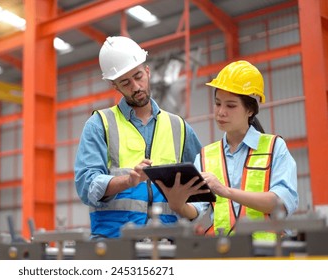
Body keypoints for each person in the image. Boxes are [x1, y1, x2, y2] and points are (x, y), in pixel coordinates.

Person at [74, 36, 205, 239]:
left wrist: (194, 214)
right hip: (113, 243)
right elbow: (87, 186)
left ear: (147, 71)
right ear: (114, 85)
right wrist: (127, 181)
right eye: (125, 82)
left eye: (138, 76)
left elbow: (202, 185)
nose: (135, 86)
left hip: (167, 243)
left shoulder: (178, 127)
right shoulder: (100, 124)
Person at [157, 60, 298, 241]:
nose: (221, 112)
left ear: (250, 110)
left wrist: (225, 191)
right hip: (224, 254)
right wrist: (178, 204)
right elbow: (197, 211)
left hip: (268, 254)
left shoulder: (274, 148)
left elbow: (280, 203)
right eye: (217, 103)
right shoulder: (206, 157)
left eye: (231, 106)